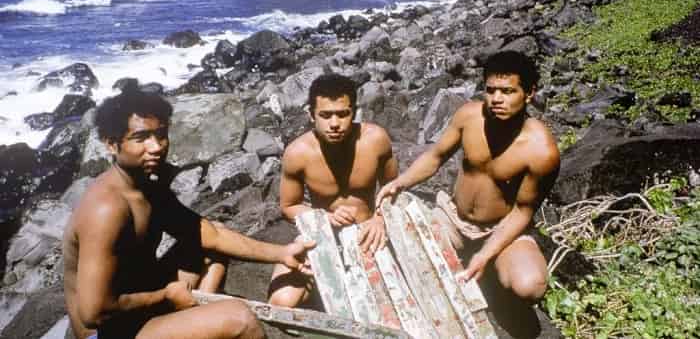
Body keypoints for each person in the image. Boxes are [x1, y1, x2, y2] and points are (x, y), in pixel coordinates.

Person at [63, 89, 314, 339]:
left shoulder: (146, 185)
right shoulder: (106, 210)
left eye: (160, 135)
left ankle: (193, 320)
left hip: (136, 306)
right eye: (140, 138)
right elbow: (93, 313)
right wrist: (166, 296)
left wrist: (281, 254)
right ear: (111, 144)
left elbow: (210, 234)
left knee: (211, 238)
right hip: (105, 332)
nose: (156, 147)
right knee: (240, 319)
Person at [376, 51, 560, 303]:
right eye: (491, 90)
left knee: (530, 286)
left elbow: (522, 211)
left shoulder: (541, 150)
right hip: (453, 217)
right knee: (401, 251)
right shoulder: (469, 116)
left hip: (501, 229)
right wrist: (398, 183)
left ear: (529, 93)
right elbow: (435, 157)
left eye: (508, 92)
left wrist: (485, 255)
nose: (497, 99)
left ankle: (492, 275)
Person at [267, 73, 398, 308]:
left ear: (354, 112)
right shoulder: (298, 153)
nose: (335, 124)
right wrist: (323, 217)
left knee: (382, 304)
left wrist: (380, 217)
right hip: (322, 234)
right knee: (281, 301)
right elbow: (288, 206)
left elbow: (393, 189)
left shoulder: (375, 140)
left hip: (369, 233)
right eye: (325, 115)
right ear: (311, 115)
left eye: (343, 114)